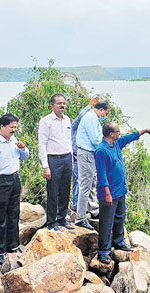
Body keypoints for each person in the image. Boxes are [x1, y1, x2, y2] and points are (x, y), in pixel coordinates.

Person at [94, 122, 150, 264]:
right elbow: (102, 174)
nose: (119, 133)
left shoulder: (116, 144)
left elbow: (130, 137)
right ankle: (103, 251)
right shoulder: (101, 151)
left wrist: (145, 130)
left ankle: (118, 241)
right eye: (117, 131)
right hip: (109, 193)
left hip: (120, 190)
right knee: (106, 222)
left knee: (119, 216)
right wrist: (107, 193)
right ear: (111, 134)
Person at [0, 114, 29, 265]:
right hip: (0, 181)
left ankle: (13, 245)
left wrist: (23, 149)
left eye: (15, 127)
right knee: (0, 218)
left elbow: (23, 157)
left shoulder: (14, 140)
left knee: (14, 214)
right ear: (2, 127)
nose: (14, 130)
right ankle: (0, 250)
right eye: (11, 127)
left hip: (14, 179)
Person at [37, 93, 75, 231]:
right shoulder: (46, 121)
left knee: (65, 191)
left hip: (66, 158)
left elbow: (69, 141)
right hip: (53, 159)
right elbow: (42, 144)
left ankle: (62, 218)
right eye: (59, 103)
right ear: (52, 105)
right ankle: (51, 222)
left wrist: (71, 159)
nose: (62, 106)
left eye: (64, 103)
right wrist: (45, 166)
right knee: (53, 192)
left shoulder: (67, 120)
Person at [75, 101, 111, 230]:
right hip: (86, 153)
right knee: (85, 185)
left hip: (91, 154)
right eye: (105, 113)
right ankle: (80, 218)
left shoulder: (94, 118)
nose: (105, 116)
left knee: (92, 183)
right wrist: (107, 149)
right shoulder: (90, 118)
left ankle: (93, 209)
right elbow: (95, 139)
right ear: (101, 109)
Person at [71, 96, 99, 212]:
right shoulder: (75, 126)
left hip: (83, 155)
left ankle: (86, 207)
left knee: (88, 182)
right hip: (77, 155)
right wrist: (90, 105)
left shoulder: (86, 127)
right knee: (79, 182)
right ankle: (77, 206)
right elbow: (80, 116)